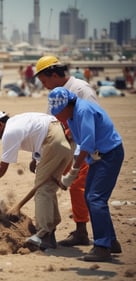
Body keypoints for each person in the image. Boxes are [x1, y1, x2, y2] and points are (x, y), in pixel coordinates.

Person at [48, 87, 124, 262]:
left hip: (109, 154)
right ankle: (111, 241)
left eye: (59, 112)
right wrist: (70, 172)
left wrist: (73, 172)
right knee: (90, 197)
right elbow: (81, 146)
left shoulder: (83, 111)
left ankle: (102, 247)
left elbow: (88, 144)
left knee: (96, 198)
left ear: (67, 105)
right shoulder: (72, 116)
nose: (57, 116)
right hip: (97, 157)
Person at [0, 108, 73, 250]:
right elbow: (39, 132)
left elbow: (3, 166)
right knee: (48, 187)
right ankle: (51, 231)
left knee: (42, 191)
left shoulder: (9, 132)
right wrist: (35, 158)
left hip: (53, 141)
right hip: (64, 138)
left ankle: (43, 235)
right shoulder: (18, 120)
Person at [34, 55, 98, 247]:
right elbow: (49, 122)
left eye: (45, 81)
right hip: (62, 148)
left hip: (83, 148)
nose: (45, 85)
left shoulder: (80, 89)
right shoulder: (56, 92)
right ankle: (50, 230)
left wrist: (71, 131)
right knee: (50, 182)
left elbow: (92, 118)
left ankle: (81, 231)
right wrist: (37, 153)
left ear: (54, 74)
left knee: (78, 187)